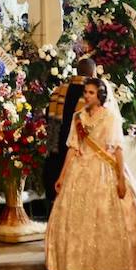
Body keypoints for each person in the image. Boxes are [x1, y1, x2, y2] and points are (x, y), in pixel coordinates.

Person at [45, 78, 136, 270]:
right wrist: (62, 175)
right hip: (80, 170)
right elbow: (73, 147)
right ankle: (75, 264)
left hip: (105, 169)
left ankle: (104, 265)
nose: (86, 96)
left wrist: (121, 179)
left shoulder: (110, 118)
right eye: (85, 92)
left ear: (101, 96)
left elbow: (118, 150)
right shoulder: (78, 117)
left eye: (91, 93)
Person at [43, 57, 95, 208]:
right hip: (77, 146)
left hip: (57, 143)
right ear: (92, 73)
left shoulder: (59, 90)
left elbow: (48, 116)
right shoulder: (91, 94)